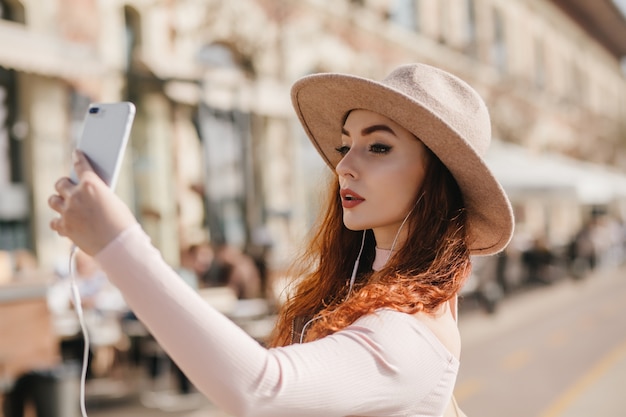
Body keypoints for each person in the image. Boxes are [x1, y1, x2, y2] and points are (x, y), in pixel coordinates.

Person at [48, 63, 513, 417]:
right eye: (344, 144)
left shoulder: (410, 335)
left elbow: (261, 388)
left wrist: (117, 242)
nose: (345, 165)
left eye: (378, 146)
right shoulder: (371, 288)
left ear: (438, 179)